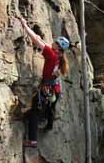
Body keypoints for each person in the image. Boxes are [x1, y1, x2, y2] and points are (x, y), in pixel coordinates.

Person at [16, 17, 70, 147]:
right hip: (55, 90)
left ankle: (33, 141)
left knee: (33, 114)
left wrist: (24, 25)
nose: (53, 42)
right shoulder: (58, 56)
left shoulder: (51, 54)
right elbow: (41, 41)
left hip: (46, 89)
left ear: (58, 47)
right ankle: (49, 124)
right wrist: (39, 38)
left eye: (56, 42)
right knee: (50, 107)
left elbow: (35, 39)